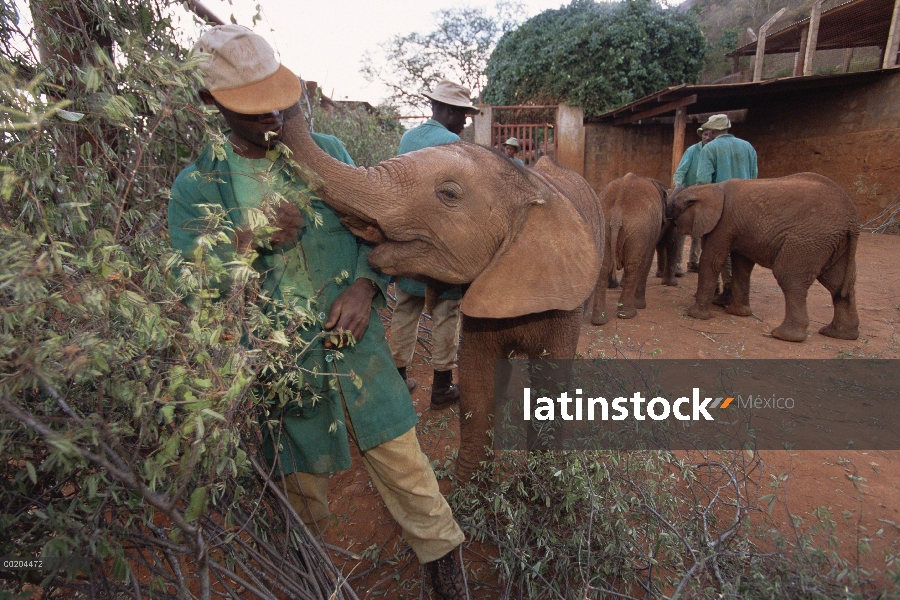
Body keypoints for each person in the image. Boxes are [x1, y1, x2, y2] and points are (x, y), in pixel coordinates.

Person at [168, 25, 467, 599]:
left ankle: (448, 580)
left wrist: (363, 287)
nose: (271, 119)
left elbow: (373, 234)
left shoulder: (325, 154)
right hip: (284, 376)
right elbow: (192, 286)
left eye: (275, 103)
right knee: (303, 497)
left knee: (408, 468)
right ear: (209, 102)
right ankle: (314, 585)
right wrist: (250, 236)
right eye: (251, 109)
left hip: (362, 354)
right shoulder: (196, 188)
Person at [390, 80, 479, 410]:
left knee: (405, 308)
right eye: (464, 114)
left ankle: (397, 382)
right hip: (441, 246)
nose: (465, 121)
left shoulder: (407, 138)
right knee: (445, 312)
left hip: (407, 240)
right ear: (450, 111)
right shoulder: (452, 143)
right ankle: (442, 388)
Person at [694, 113, 758, 306]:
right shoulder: (748, 147)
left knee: (717, 249)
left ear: (712, 130)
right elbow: (755, 177)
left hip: (720, 207)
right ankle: (738, 293)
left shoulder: (710, 149)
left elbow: (703, 182)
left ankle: (725, 288)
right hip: (746, 206)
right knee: (741, 250)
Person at [671, 127, 714, 273]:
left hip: (705, 196)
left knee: (700, 229)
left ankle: (693, 262)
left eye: (710, 134)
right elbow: (681, 171)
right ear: (701, 135)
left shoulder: (714, 151)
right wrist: (678, 186)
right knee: (681, 229)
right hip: (689, 194)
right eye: (705, 134)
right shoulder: (692, 151)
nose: (707, 137)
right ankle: (676, 263)